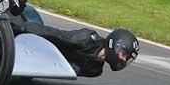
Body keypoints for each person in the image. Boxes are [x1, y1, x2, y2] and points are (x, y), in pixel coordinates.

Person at [11, 22, 139, 77]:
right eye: (124, 54)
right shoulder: (86, 39)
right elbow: (55, 34)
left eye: (126, 59)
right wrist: (17, 28)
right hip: (38, 44)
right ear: (115, 43)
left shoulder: (95, 70)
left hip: (41, 62)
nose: (123, 59)